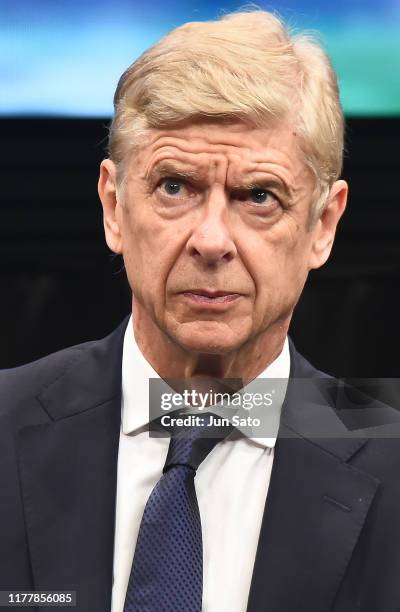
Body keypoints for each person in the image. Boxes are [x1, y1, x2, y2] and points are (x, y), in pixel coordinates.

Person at [1, 9, 400, 612]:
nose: (211, 240)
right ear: (113, 206)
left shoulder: (391, 445)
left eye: (259, 195)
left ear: (323, 224)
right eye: (174, 187)